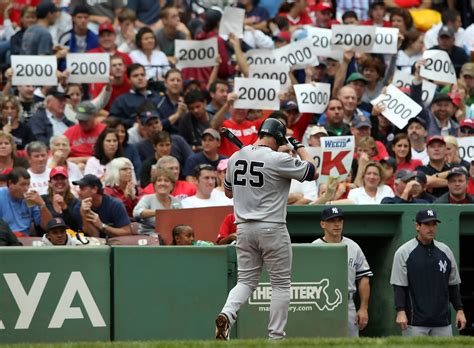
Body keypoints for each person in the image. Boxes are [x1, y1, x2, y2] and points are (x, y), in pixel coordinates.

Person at [215, 117, 318, 340]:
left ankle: (227, 313)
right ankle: (276, 337)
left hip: (243, 229)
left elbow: (229, 192)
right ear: (279, 137)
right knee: (280, 284)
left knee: (245, 282)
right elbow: (313, 171)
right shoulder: (279, 158)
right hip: (272, 227)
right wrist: (299, 146)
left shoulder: (235, 157)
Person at [390, 209, 466, 336]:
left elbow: (453, 285)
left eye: (433, 224)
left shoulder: (445, 251)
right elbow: (399, 286)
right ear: (417, 226)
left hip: (442, 322)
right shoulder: (404, 252)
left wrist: (459, 309)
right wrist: (400, 311)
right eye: (426, 224)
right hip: (415, 322)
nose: (431, 228)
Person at [313, 206, 372, 337]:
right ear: (323, 224)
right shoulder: (314, 247)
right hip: (320, 304)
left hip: (347, 303)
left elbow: (364, 278)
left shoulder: (353, 246)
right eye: (332, 221)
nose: (337, 224)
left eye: (339, 220)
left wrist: (363, 308)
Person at [73, 174, 131, 238]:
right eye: (79, 189)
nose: (79, 193)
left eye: (83, 189)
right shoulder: (79, 207)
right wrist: (84, 216)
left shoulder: (115, 205)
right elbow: (94, 235)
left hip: (115, 244)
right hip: (93, 245)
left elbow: (127, 232)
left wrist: (101, 225)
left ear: (94, 189)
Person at [0, 167, 53, 236]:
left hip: (25, 238)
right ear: (10, 184)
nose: (26, 188)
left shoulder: (30, 199)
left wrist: (42, 204)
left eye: (28, 184)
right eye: (22, 184)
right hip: (4, 237)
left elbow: (48, 227)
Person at [133, 167, 182, 236]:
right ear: (154, 185)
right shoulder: (147, 199)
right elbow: (136, 213)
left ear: (172, 185)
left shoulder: (176, 201)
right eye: (159, 180)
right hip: (149, 236)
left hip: (171, 235)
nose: (162, 183)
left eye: (166, 181)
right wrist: (159, 212)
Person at [41, 166, 81, 232]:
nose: (60, 181)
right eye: (56, 179)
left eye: (63, 178)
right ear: (50, 183)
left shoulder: (75, 202)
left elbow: (75, 226)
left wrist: (64, 207)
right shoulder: (42, 200)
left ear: (68, 182)